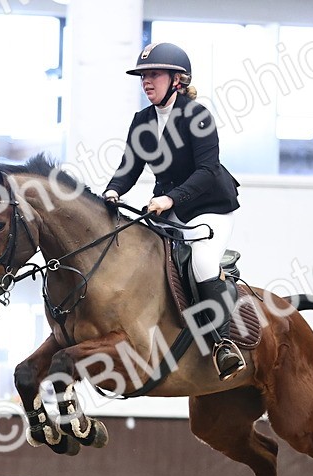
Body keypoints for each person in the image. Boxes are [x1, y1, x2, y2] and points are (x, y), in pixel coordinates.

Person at [103, 42, 245, 381]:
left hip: (210, 207)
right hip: (169, 207)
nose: (146, 82)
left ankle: (222, 343)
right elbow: (129, 167)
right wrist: (111, 190)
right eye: (143, 76)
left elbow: (208, 170)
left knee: (203, 262)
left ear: (177, 80)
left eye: (153, 75)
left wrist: (171, 200)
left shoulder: (197, 116)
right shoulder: (142, 121)